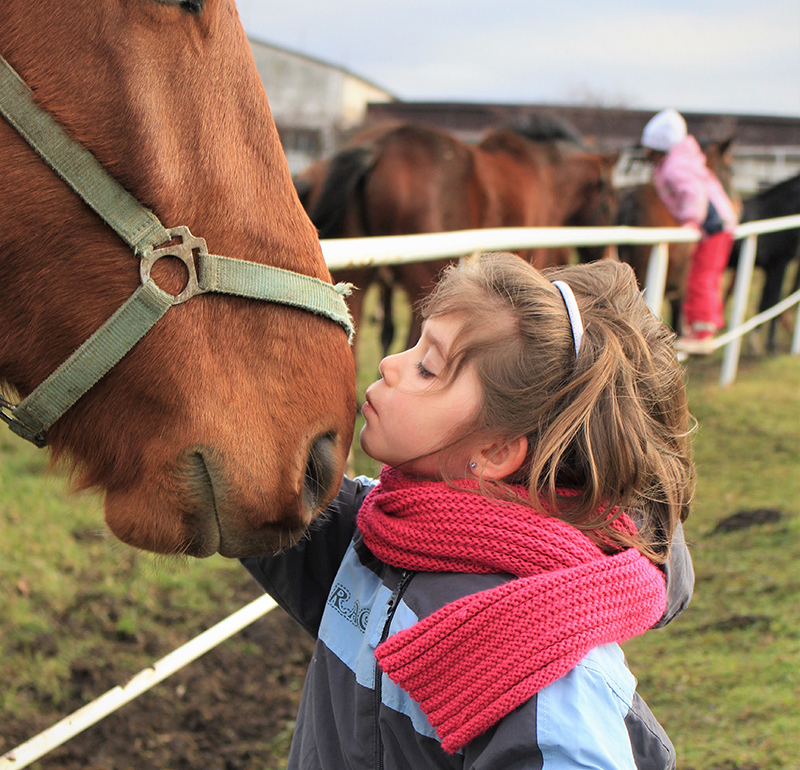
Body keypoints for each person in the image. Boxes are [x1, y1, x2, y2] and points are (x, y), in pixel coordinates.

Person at [242, 253, 696, 769]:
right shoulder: (383, 531)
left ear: (496, 453)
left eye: (428, 367)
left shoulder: (545, 662)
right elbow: (255, 488)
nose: (390, 364)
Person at [640, 108, 739, 354]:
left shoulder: (675, 167)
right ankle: (706, 326)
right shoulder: (678, 161)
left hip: (712, 227)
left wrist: (691, 222)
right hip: (718, 226)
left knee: (701, 278)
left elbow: (695, 195)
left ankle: (702, 334)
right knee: (707, 276)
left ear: (658, 146)